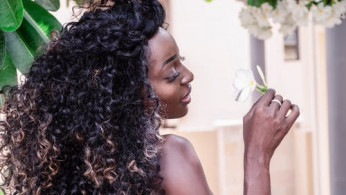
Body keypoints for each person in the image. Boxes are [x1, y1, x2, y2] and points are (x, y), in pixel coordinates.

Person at [0, 0, 300, 194]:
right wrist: (257, 156)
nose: (189, 76)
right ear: (127, 94)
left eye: (181, 60)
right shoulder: (168, 157)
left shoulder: (79, 178)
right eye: (171, 73)